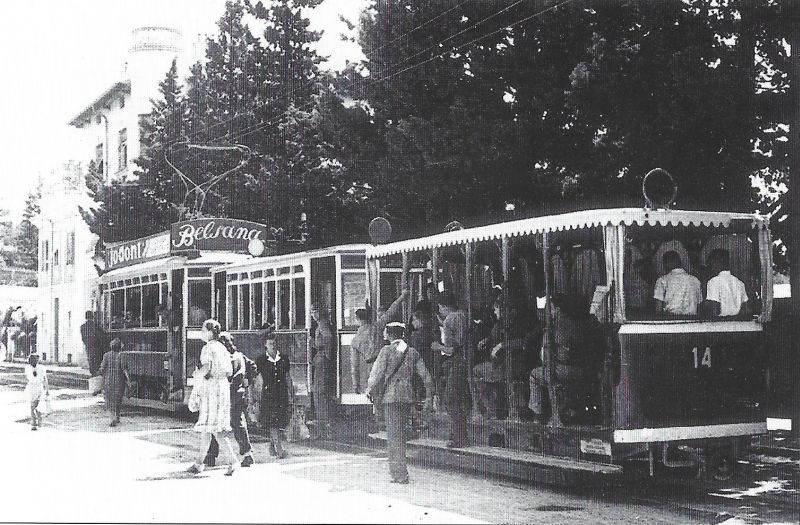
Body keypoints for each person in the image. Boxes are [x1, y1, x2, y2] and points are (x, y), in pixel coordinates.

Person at [366, 322, 433, 484]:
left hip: (391, 396)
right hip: (407, 396)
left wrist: (369, 389)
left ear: (389, 334)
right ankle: (401, 471)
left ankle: (399, 474)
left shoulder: (386, 351)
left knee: (394, 437)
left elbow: (377, 374)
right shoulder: (412, 352)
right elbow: (426, 377)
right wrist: (429, 397)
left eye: (385, 332)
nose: (383, 334)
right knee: (401, 435)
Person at [528, 294, 594, 426]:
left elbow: (546, 356)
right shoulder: (577, 323)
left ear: (557, 309)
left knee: (535, 375)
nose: (549, 312)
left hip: (562, 369)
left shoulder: (554, 327)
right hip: (581, 370)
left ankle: (538, 415)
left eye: (551, 309)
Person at [187, 319, 239, 476]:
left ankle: (233, 461)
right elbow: (230, 371)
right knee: (209, 429)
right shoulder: (223, 347)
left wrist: (197, 375)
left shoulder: (208, 348)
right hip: (222, 389)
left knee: (215, 430)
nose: (202, 333)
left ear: (210, 332)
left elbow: (207, 367)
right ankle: (198, 463)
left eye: (203, 330)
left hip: (212, 391)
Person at [350, 290, 408, 430]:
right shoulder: (377, 326)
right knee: (390, 389)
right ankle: (393, 420)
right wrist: (402, 296)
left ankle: (382, 422)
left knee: (376, 394)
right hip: (387, 361)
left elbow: (354, 366)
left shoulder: (355, 340)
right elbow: (391, 311)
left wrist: (355, 383)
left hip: (372, 365)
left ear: (357, 320)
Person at [204, 332, 256, 468]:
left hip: (223, 395)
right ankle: (247, 454)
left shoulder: (223, 358)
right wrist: (246, 382)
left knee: (214, 425)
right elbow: (253, 367)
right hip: (238, 395)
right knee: (238, 425)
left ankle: (211, 456)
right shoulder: (240, 356)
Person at [431, 292, 471, 448]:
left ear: (443, 306)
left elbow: (452, 348)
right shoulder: (464, 314)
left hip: (457, 361)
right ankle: (458, 434)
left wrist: (438, 346)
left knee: (450, 399)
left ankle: (460, 437)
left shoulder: (450, 319)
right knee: (460, 399)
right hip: (466, 360)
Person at [256, 324, 294, 459]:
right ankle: (279, 450)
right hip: (268, 394)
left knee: (278, 422)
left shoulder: (284, 358)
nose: (273, 345)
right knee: (273, 422)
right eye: (270, 343)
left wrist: (292, 394)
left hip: (282, 394)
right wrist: (255, 398)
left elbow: (287, 377)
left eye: (274, 343)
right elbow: (257, 380)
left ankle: (272, 446)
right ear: (266, 345)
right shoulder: (261, 360)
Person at [310, 305, 334, 439]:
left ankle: (322, 429)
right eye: (312, 311)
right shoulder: (322, 323)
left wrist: (315, 343)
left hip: (321, 358)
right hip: (321, 358)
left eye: (315, 311)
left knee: (319, 392)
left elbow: (328, 337)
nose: (313, 314)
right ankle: (323, 428)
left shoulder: (322, 324)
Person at [653, 251, 702, 316]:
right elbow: (699, 306)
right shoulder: (695, 280)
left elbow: (658, 308)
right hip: (692, 321)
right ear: (680, 262)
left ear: (666, 264)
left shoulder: (662, 280)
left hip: (671, 321)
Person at [704, 249, 749, 317]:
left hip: (720, 324)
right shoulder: (740, 283)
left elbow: (714, 310)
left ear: (719, 261)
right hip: (738, 324)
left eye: (711, 262)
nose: (709, 266)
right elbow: (746, 309)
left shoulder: (713, 282)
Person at [97, 338, 131, 427]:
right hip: (119, 382)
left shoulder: (106, 355)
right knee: (118, 400)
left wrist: (98, 373)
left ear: (111, 346)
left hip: (108, 382)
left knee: (109, 401)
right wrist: (129, 380)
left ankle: (113, 418)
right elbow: (124, 370)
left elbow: (102, 368)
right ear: (119, 347)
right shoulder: (121, 356)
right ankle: (117, 417)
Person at [25, 352, 49, 431]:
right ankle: (34, 424)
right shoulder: (27, 368)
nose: (34, 362)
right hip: (31, 388)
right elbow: (28, 378)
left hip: (39, 388)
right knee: (32, 407)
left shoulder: (42, 368)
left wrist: (47, 389)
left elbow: (45, 379)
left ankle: (40, 422)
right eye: (32, 360)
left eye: (35, 360)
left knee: (39, 407)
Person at [81, 311, 109, 376]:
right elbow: (102, 337)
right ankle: (98, 380)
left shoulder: (82, 327)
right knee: (98, 365)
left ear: (85, 317)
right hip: (97, 349)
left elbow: (83, 339)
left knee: (91, 364)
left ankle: (93, 377)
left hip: (89, 348)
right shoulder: (96, 326)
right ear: (93, 317)